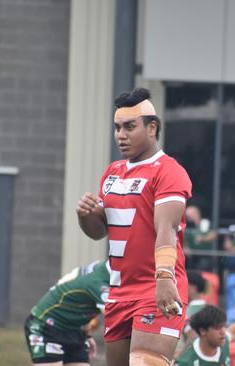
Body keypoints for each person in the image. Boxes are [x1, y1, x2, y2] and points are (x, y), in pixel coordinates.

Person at [75, 87, 193, 366]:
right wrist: (86, 215)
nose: (120, 135)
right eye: (117, 128)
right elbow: (99, 232)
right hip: (118, 292)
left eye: (129, 127)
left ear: (152, 128)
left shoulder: (169, 171)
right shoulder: (112, 172)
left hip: (156, 288)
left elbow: (167, 229)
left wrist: (164, 278)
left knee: (145, 362)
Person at [24, 260, 110, 366]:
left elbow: (83, 302)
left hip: (74, 329)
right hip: (46, 326)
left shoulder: (107, 267)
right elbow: (117, 319)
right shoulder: (98, 283)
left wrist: (87, 335)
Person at [174, 293, 235, 366]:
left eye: (223, 326)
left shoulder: (222, 342)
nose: (223, 332)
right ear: (203, 331)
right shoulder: (186, 362)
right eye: (217, 328)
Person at [183, 205, 217, 271]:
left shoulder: (205, 223)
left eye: (189, 215)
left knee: (203, 264)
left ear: (196, 214)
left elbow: (214, 235)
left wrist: (203, 239)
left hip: (204, 254)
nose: (187, 217)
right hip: (190, 255)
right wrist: (185, 247)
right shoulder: (186, 225)